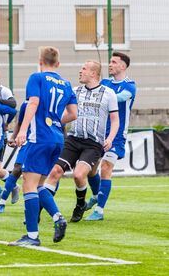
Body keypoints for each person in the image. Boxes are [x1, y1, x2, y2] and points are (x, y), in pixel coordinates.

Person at [9, 46, 77, 247]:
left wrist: (22, 130)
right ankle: (58, 218)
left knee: (28, 184)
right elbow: (73, 113)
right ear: (58, 63)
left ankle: (32, 236)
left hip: (39, 137)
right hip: (57, 138)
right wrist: (55, 122)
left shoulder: (36, 78)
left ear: (40, 61)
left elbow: (33, 103)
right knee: (39, 185)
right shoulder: (67, 84)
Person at [44, 60, 119, 223]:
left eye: (84, 69)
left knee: (78, 175)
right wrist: (52, 124)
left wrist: (110, 138)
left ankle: (80, 205)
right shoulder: (74, 91)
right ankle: (37, 209)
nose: (80, 71)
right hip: (73, 139)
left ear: (93, 73)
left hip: (93, 143)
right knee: (55, 172)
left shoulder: (109, 93)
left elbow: (115, 120)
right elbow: (65, 114)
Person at [85, 52, 136, 221]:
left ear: (123, 66)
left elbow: (119, 98)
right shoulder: (105, 83)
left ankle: (99, 210)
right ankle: (95, 195)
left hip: (117, 136)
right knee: (90, 170)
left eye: (114, 62)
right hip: (98, 133)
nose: (110, 64)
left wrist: (102, 93)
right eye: (110, 61)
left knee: (106, 167)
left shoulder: (130, 86)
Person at [0, 100, 28, 213]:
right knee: (17, 169)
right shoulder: (26, 103)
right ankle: (2, 202)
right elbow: (20, 122)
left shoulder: (49, 100)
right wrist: (13, 137)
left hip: (45, 142)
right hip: (29, 141)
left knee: (46, 175)